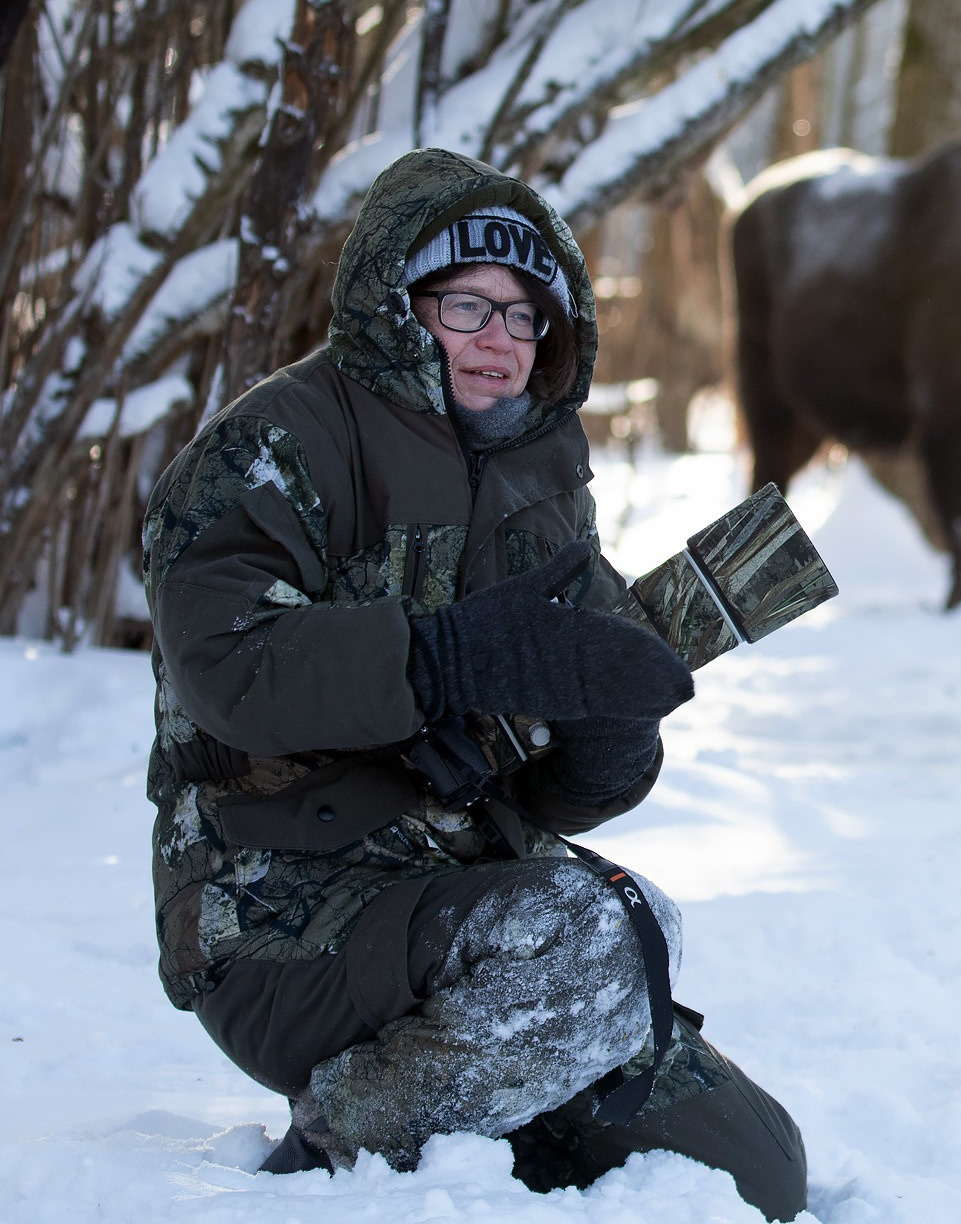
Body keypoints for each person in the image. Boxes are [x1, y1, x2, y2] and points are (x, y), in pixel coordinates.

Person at [140, 148, 807, 1220]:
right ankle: (338, 1148)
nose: (501, 341)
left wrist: (607, 740)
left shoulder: (541, 465)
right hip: (275, 910)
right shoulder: (274, 443)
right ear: (399, 308)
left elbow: (545, 789)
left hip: (462, 901)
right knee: (587, 937)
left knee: (759, 1164)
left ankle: (478, 1107)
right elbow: (227, 667)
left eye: (525, 315)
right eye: (467, 306)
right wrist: (438, 660)